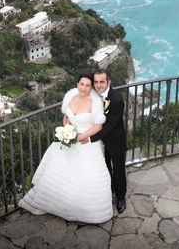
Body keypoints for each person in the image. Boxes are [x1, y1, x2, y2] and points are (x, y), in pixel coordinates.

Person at [19, 74, 113, 223]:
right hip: (68, 140)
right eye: (81, 84)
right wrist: (66, 129)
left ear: (91, 88)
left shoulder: (94, 103)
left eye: (87, 85)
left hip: (85, 143)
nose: (84, 88)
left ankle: (83, 211)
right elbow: (66, 117)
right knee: (59, 173)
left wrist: (80, 137)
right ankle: (58, 205)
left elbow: (98, 126)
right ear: (77, 84)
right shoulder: (70, 97)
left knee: (85, 178)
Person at [81, 69, 127, 214]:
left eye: (102, 82)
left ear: (109, 82)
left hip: (115, 141)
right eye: (96, 82)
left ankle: (121, 197)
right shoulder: (92, 95)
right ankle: (109, 191)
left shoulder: (117, 99)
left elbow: (111, 125)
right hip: (101, 142)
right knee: (105, 167)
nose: (99, 85)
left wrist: (90, 138)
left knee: (118, 170)